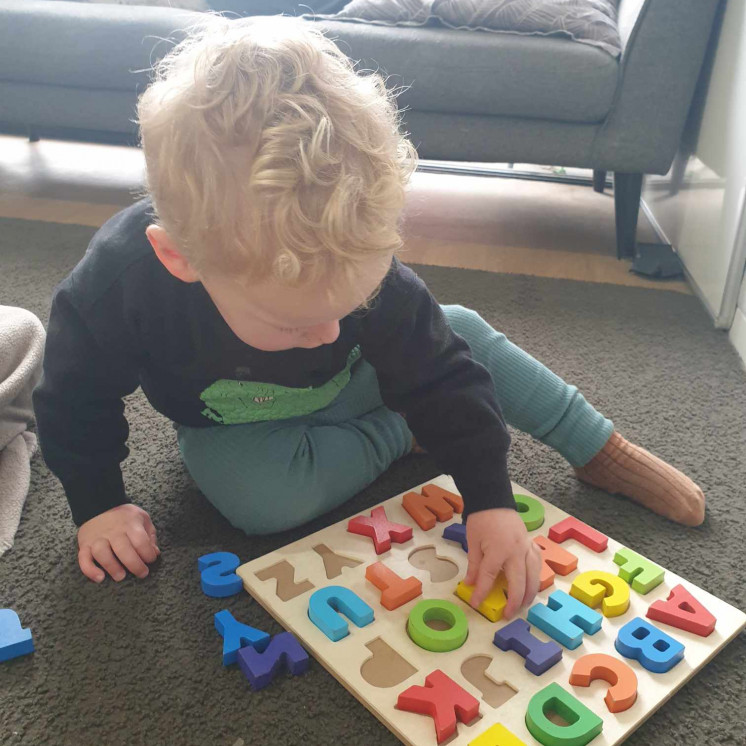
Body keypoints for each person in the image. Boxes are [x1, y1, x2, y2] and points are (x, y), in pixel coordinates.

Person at [33, 15, 704, 619]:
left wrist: (491, 499)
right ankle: (403, 431)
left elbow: (442, 375)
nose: (324, 335)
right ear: (182, 260)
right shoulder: (116, 291)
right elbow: (73, 399)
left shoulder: (365, 279)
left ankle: (594, 443)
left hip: (364, 378)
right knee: (255, 505)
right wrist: (98, 505)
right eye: (294, 324)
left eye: (345, 307)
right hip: (233, 424)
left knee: (457, 339)